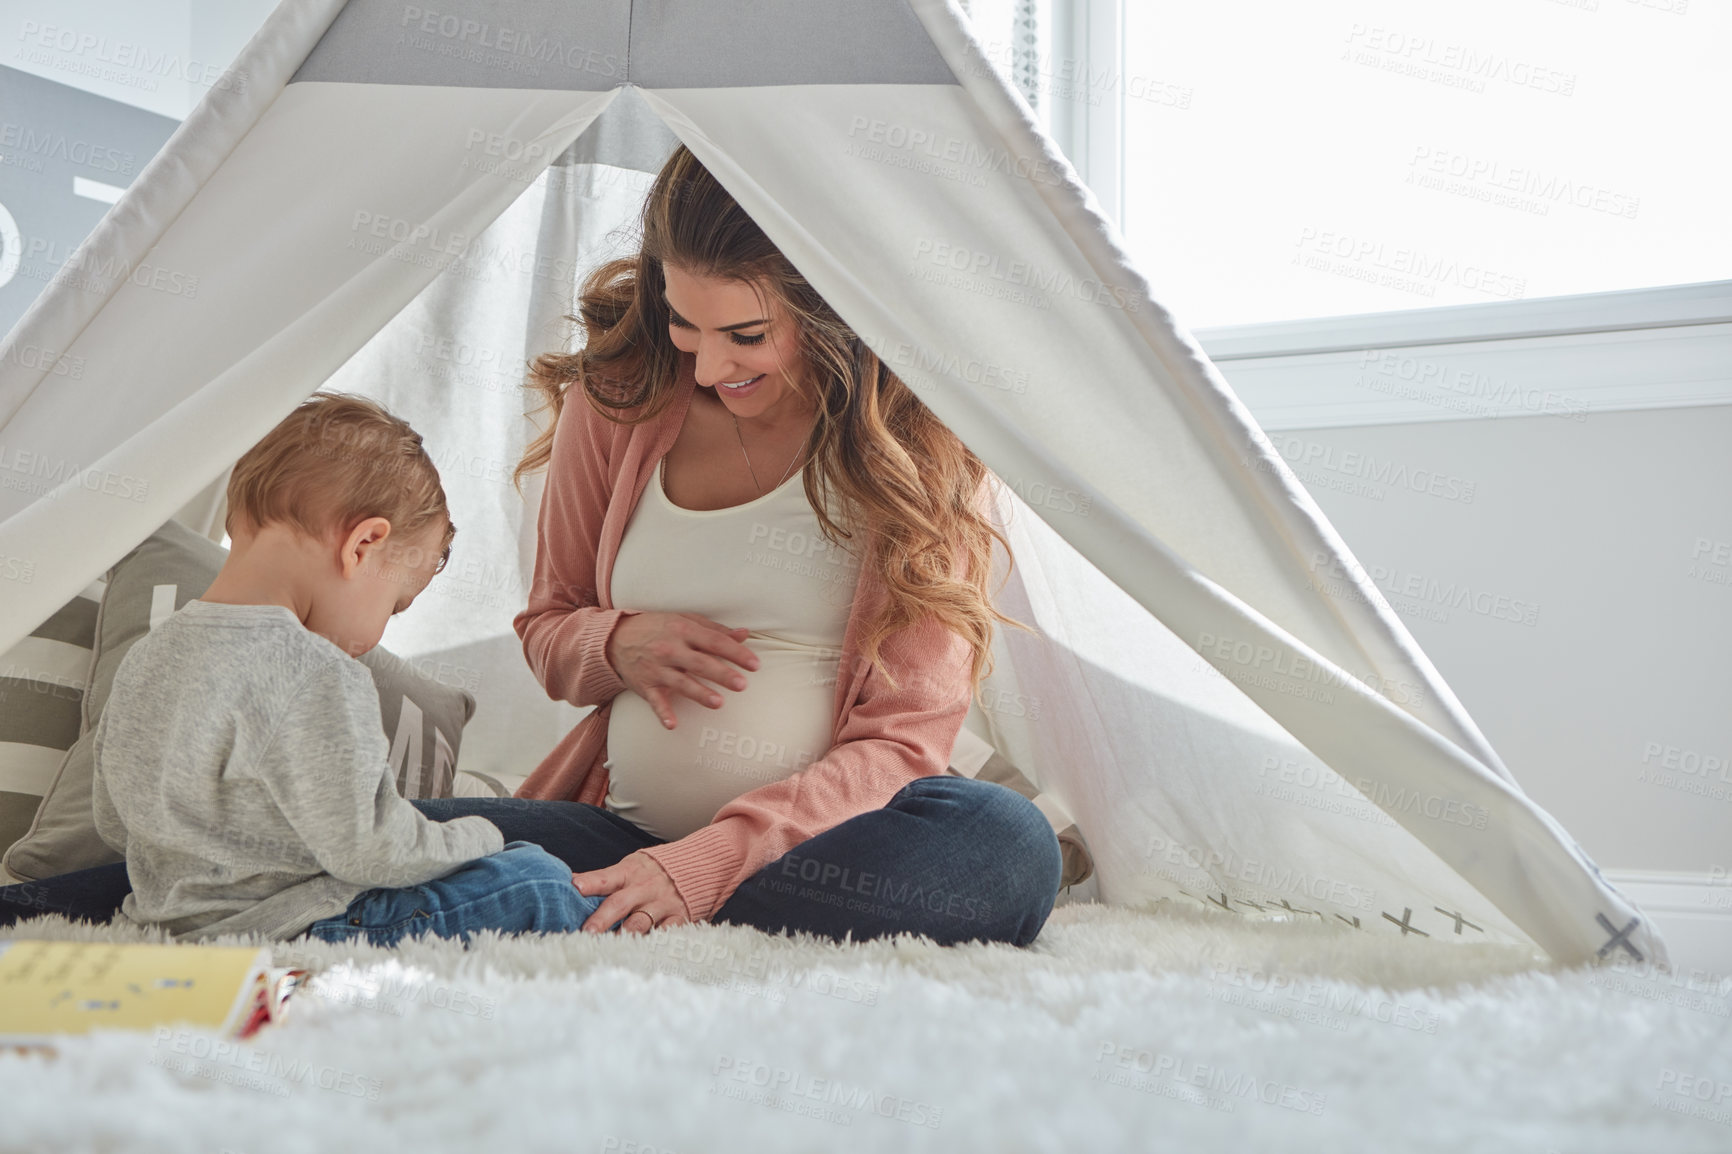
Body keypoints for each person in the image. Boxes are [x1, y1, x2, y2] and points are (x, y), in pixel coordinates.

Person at [416, 143, 1064, 946]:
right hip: (620, 835)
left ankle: (636, 909)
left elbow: (903, 741)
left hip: (824, 850)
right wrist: (618, 643)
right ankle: (636, 905)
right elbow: (549, 628)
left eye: (745, 335)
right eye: (685, 323)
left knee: (1006, 847)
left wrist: (702, 868)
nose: (709, 363)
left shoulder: (918, 445)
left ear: (828, 308)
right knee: (397, 835)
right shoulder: (617, 398)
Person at [88, 393, 611, 947]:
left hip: (164, 923)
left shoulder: (150, 653)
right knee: (534, 875)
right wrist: (481, 835)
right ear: (363, 545)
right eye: (396, 604)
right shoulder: (316, 671)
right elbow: (371, 849)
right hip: (302, 926)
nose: (382, 630)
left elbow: (113, 822)